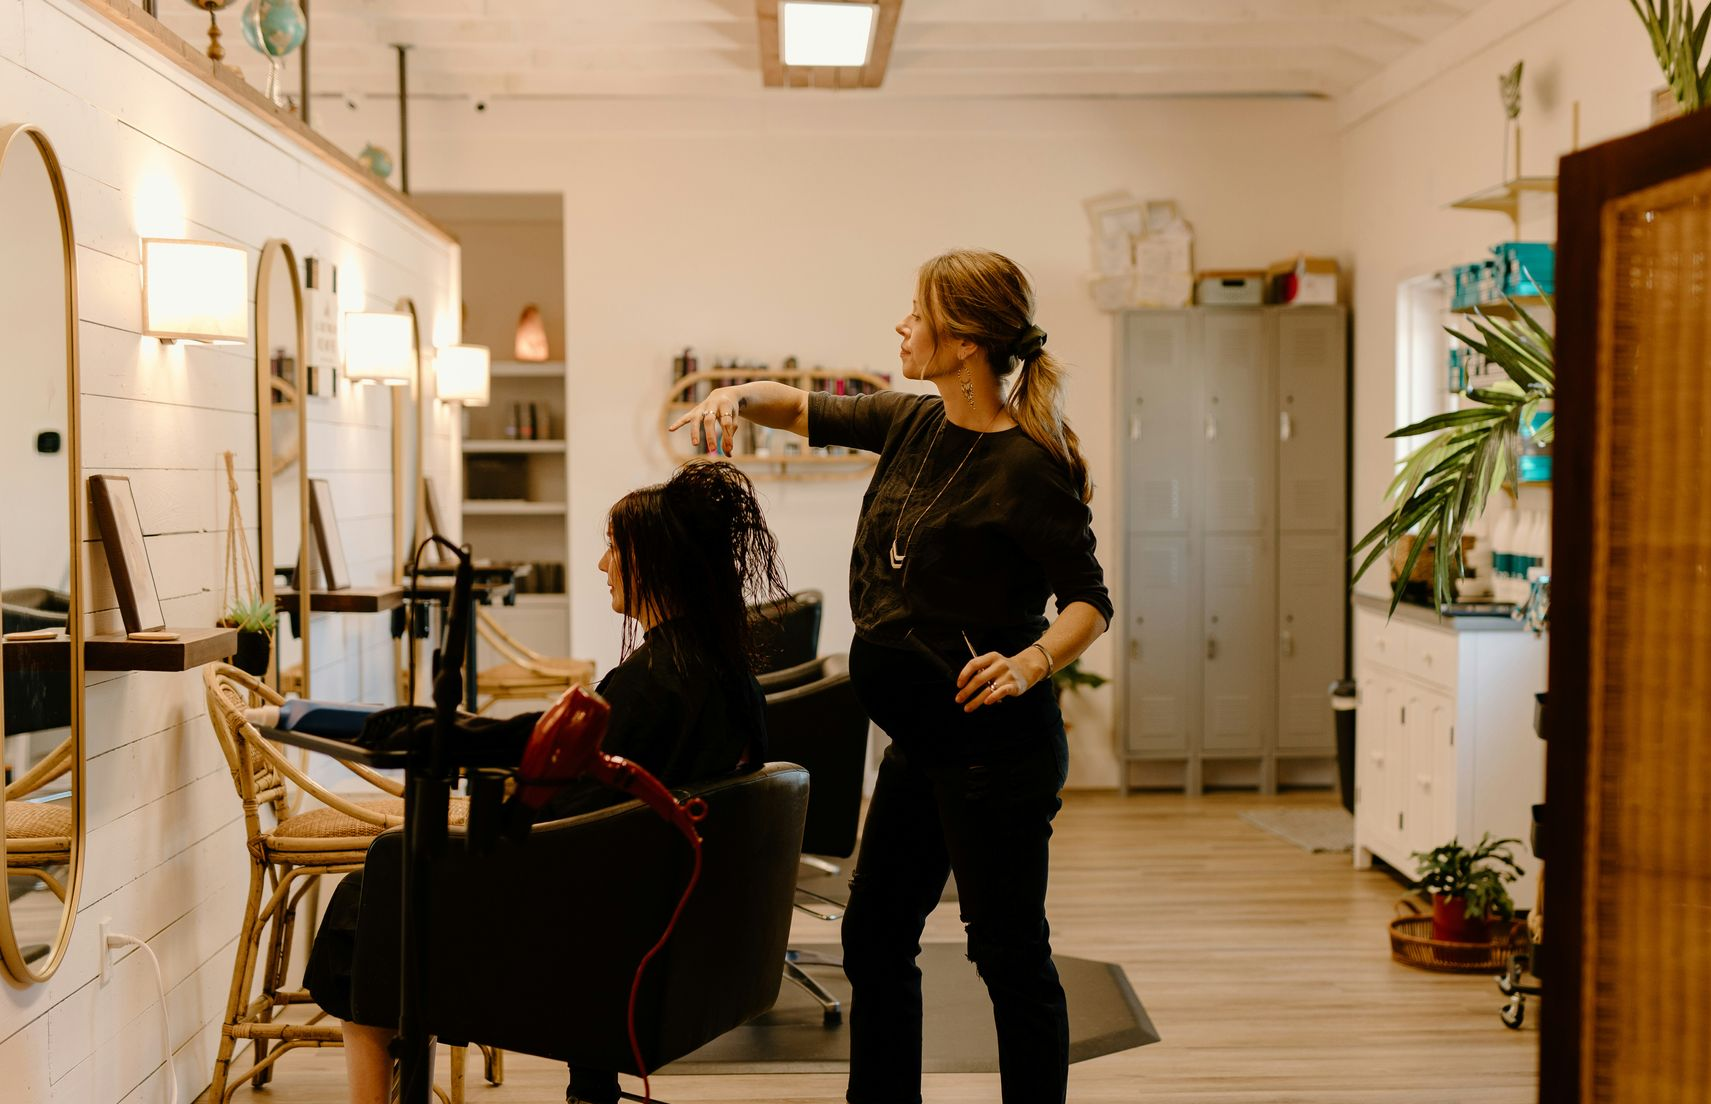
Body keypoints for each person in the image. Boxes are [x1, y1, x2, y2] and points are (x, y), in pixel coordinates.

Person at [669, 248, 1110, 1104]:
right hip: (921, 745)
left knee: (1008, 955)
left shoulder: (1028, 467)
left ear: (968, 340)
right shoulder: (913, 423)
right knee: (875, 940)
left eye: (917, 312)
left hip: (997, 754)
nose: (901, 326)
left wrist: (1029, 663)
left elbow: (1089, 601)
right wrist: (730, 395)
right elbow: (797, 405)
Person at [303, 459, 787, 1104]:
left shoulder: (656, 683)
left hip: (586, 928)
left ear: (654, 561)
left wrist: (464, 827)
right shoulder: (716, 670)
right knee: (390, 885)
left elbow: (575, 824)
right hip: (659, 920)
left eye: (613, 547)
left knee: (371, 897)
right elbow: (592, 798)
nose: (601, 564)